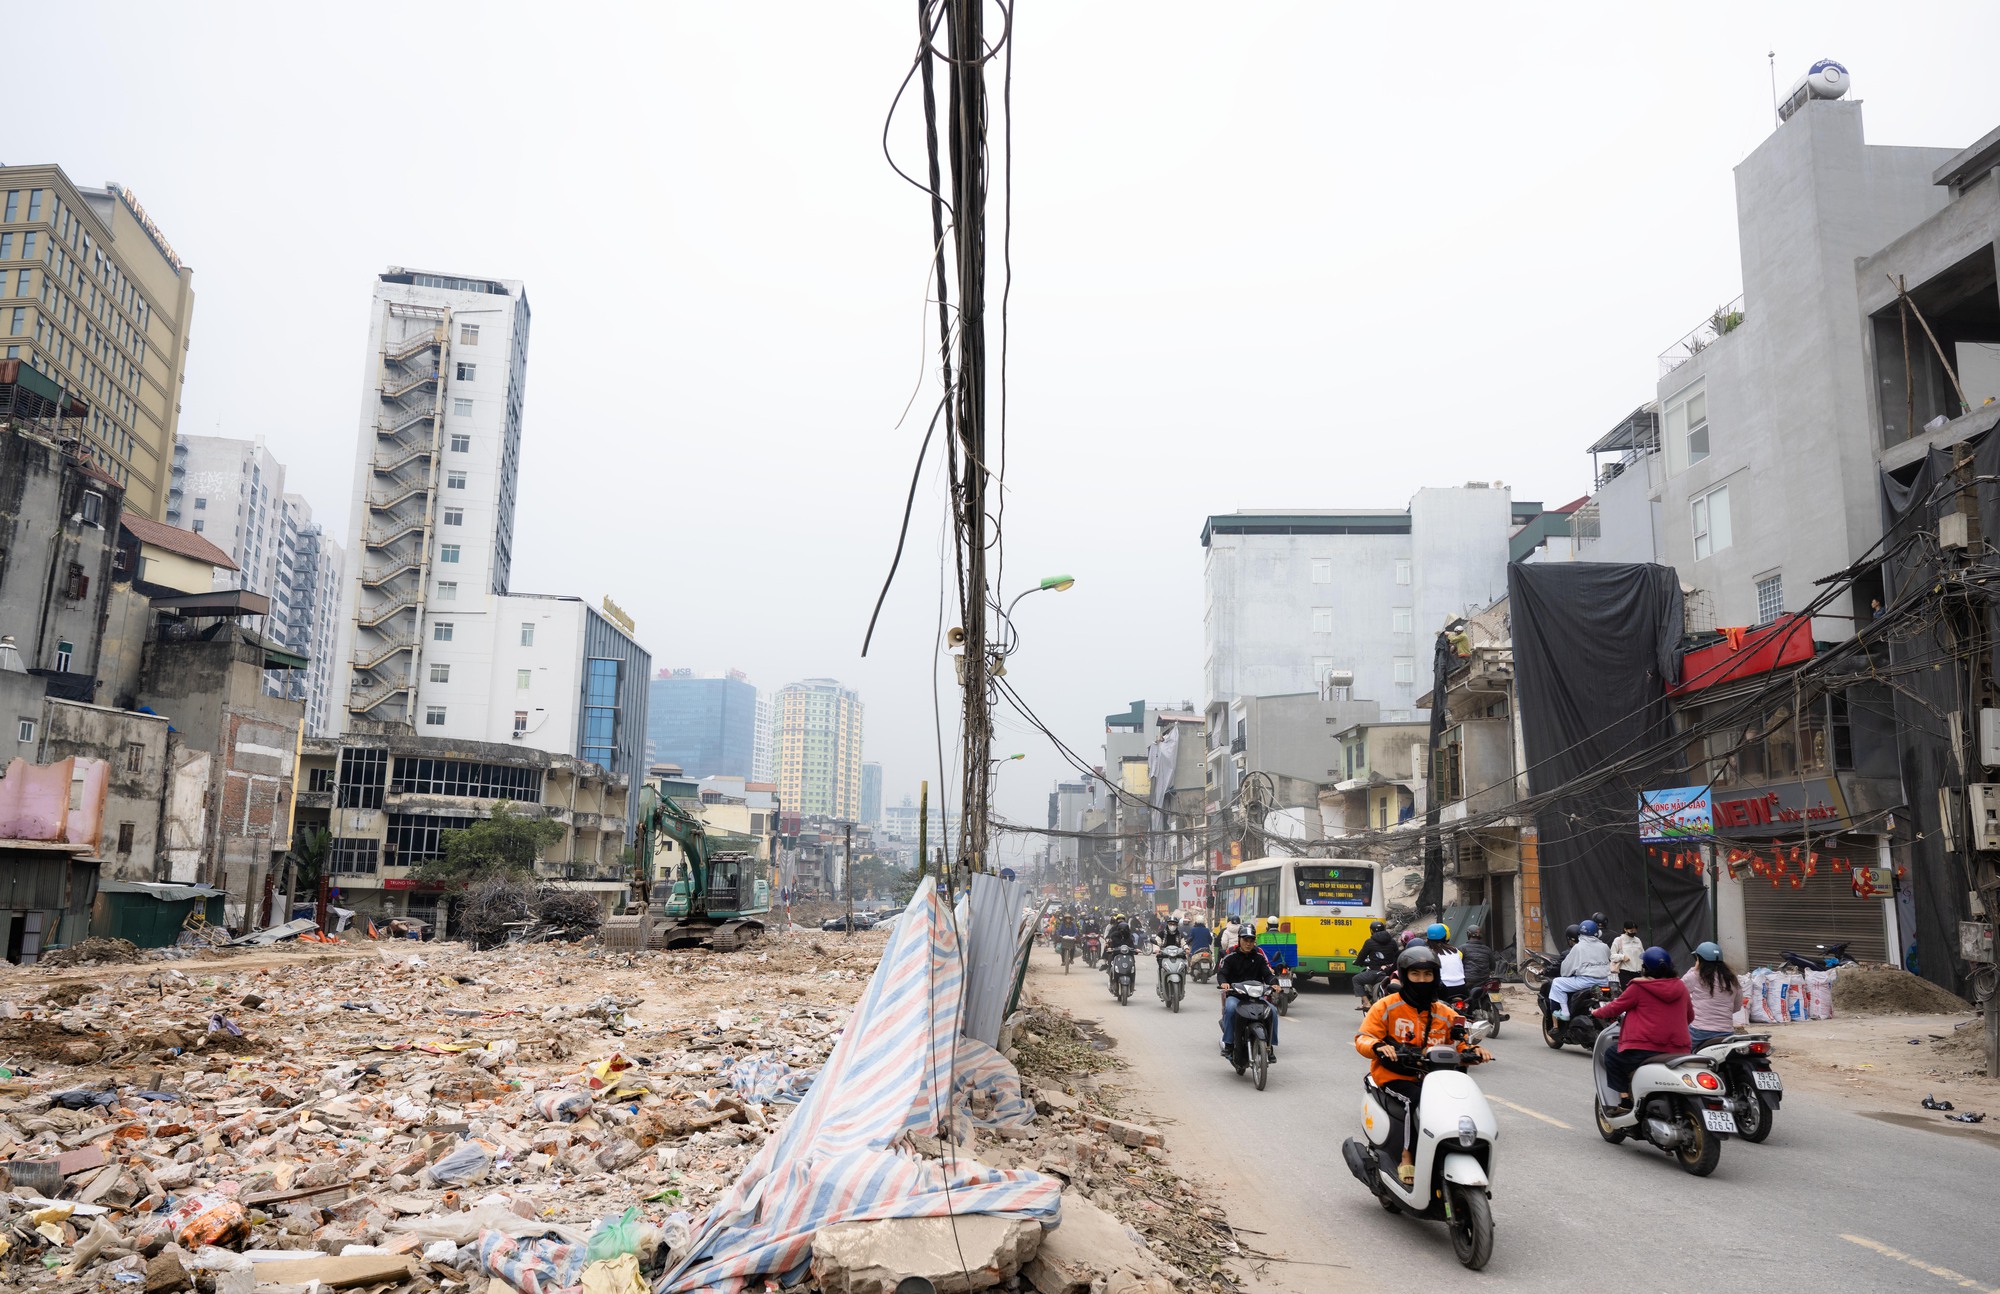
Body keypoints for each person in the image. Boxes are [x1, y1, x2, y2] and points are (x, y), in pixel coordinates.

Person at [1355, 946, 1493, 1185]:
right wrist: (1378, 1047)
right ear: (1404, 975)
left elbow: (1459, 1043)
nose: (1422, 980)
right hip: (1393, 1076)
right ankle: (1406, 1156)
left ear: (1435, 977)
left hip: (1437, 1080)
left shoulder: (1445, 1013)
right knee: (1416, 1101)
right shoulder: (1386, 1007)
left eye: (1427, 975)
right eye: (1415, 974)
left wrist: (1474, 1051)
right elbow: (1363, 1038)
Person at [1592, 946, 1694, 1113]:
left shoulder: (1639, 988)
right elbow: (1689, 1017)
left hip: (1645, 1050)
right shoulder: (1680, 987)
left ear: (1645, 968)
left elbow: (1614, 1008)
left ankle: (1624, 1102)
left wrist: (1596, 1012)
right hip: (1679, 1050)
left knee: (1612, 1056)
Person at [1218, 924, 1280, 1061]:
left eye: (1251, 940)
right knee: (1230, 1008)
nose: (1248, 943)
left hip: (1256, 997)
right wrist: (1224, 983)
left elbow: (1267, 975)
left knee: (1273, 1011)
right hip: (1236, 996)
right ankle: (1228, 1043)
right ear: (1239, 940)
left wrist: (1274, 983)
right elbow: (1222, 973)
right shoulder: (1230, 956)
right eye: (1245, 940)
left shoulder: (1259, 957)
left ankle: (1270, 1046)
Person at [1548, 918, 1612, 1021]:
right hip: (1604, 982)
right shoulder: (1604, 946)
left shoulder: (1578, 948)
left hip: (1585, 982)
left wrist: (1568, 973)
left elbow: (1566, 969)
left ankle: (1565, 1013)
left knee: (1556, 983)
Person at [1683, 942, 1741, 1044]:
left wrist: (1694, 968)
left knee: (1680, 1050)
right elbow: (1737, 1007)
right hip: (1726, 1032)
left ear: (1699, 960)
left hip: (1699, 1032)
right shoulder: (1732, 979)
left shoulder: (1694, 976)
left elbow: (1678, 990)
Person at [1353, 920, 1401, 1009]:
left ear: (1371, 931)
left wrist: (1357, 962)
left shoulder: (1369, 942)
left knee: (1356, 979)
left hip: (1375, 972)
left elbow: (1361, 957)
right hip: (1389, 972)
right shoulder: (1392, 941)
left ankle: (1366, 1003)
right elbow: (1397, 956)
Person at [1426, 922, 1465, 989]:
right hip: (1462, 987)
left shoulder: (1429, 953)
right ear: (1445, 937)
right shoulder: (1455, 950)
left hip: (1443, 989)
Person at [1609, 920, 1645, 988]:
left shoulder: (1637, 940)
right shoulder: (1619, 940)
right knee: (1627, 991)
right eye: (1631, 931)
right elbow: (1612, 956)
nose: (1633, 932)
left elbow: (1642, 954)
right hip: (1625, 971)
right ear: (1625, 929)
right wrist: (1622, 957)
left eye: (1635, 931)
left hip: (1637, 971)